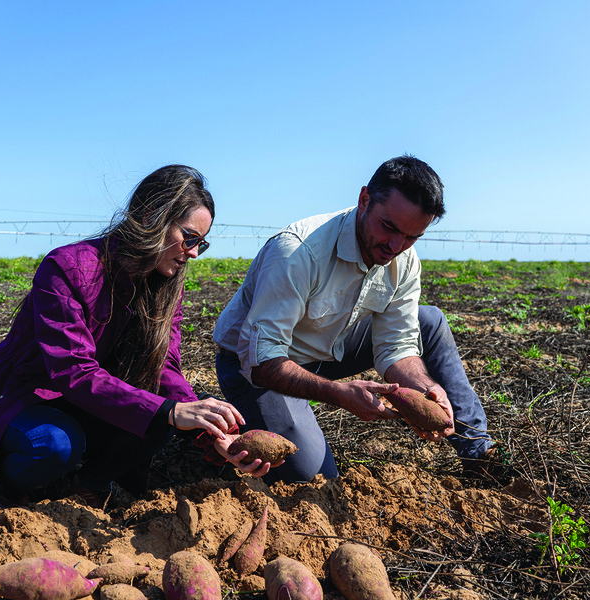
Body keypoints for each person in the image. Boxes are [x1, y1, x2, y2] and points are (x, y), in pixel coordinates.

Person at [0, 164, 272, 526]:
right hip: (21, 397)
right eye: (189, 238)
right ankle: (9, 490)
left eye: (201, 242)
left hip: (83, 402)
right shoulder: (67, 268)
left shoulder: (164, 283)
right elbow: (72, 371)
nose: (195, 253)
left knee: (162, 414)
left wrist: (209, 426)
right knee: (55, 444)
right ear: (152, 216)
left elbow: (164, 367)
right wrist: (169, 411)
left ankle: (86, 485)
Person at [213, 155, 503, 485]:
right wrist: (339, 393)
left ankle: (480, 456)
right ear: (364, 200)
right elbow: (261, 360)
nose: (396, 246)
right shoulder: (297, 252)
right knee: (313, 480)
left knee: (429, 321)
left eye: (412, 237)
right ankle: (244, 422)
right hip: (255, 366)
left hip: (326, 350)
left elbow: (397, 347)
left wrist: (424, 387)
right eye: (389, 227)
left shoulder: (403, 259)